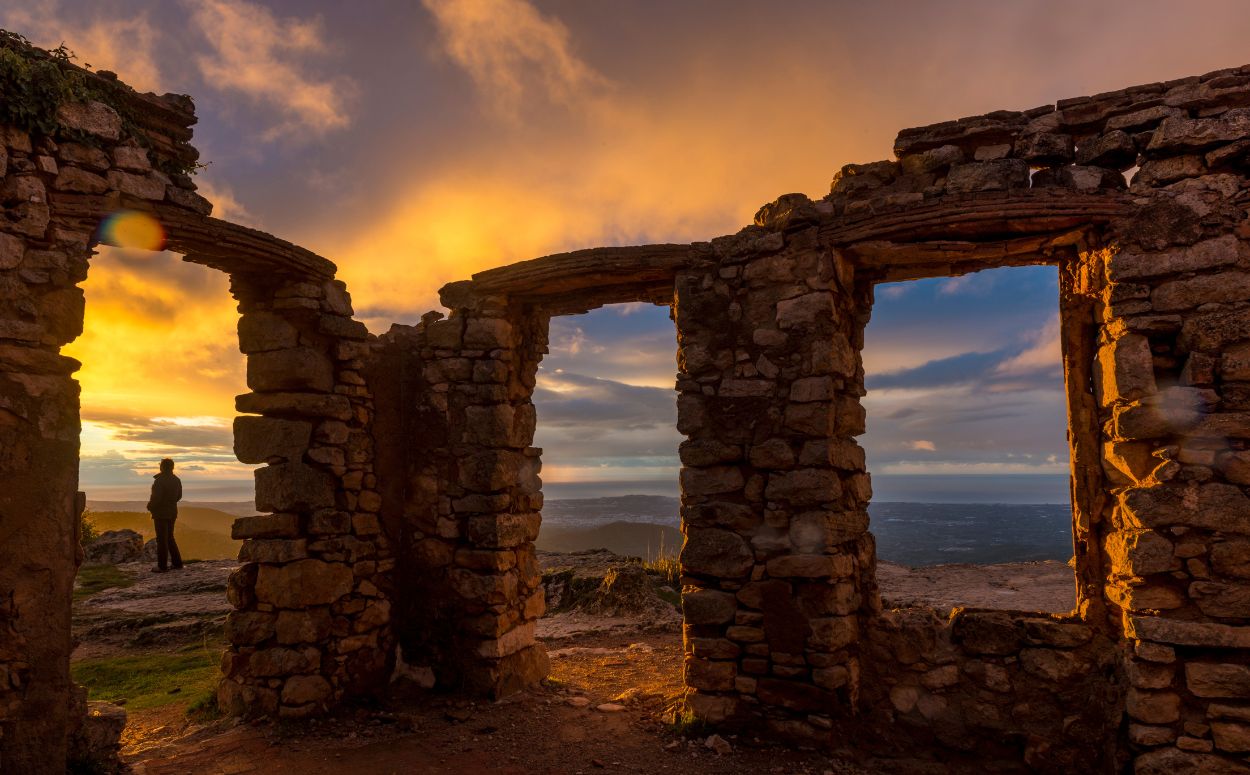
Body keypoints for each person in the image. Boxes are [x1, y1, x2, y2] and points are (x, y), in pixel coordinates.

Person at [146, 458, 183, 572]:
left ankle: (162, 566)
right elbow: (179, 496)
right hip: (172, 512)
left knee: (161, 540)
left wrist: (150, 506)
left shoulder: (159, 481)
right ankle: (177, 563)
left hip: (161, 513)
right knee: (170, 537)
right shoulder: (176, 480)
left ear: (162, 467)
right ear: (172, 467)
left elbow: (156, 498)